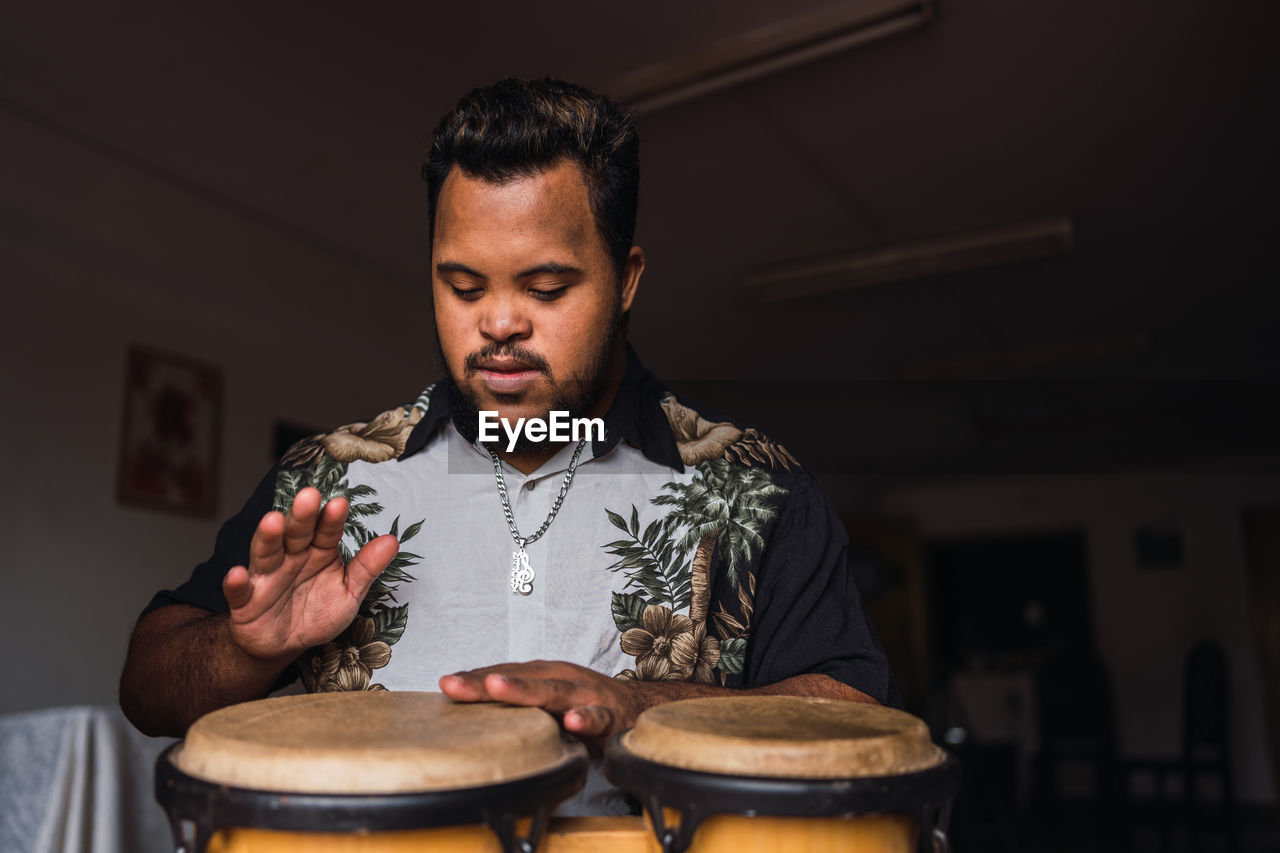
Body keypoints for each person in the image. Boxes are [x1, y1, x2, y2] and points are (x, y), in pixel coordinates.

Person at [119, 77, 895, 812]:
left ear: (625, 281)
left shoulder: (757, 489)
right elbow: (147, 686)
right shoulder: (332, 477)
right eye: (462, 286)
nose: (497, 325)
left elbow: (858, 718)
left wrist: (638, 704)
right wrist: (244, 650)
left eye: (546, 289)